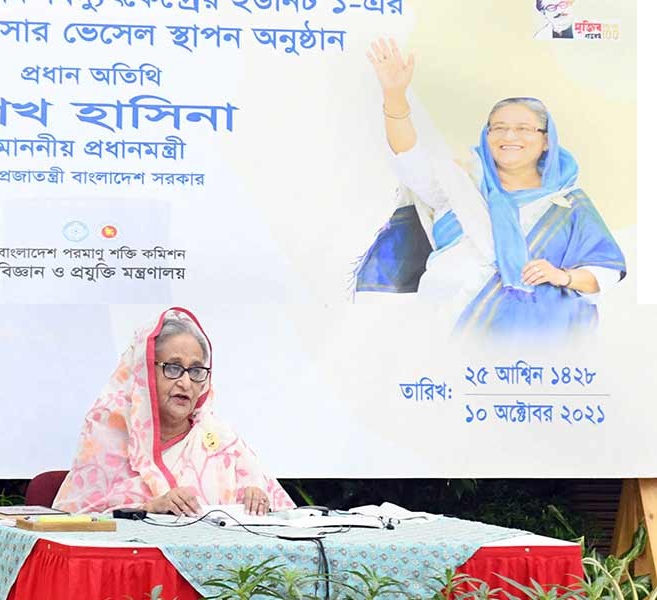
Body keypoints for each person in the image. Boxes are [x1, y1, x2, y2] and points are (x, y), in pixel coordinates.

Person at [351, 38, 625, 341]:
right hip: (448, 335)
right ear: (487, 134)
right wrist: (394, 96)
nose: (510, 135)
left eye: (524, 128)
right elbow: (408, 157)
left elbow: (606, 271)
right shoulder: (457, 184)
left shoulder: (568, 204)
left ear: (547, 140)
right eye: (498, 127)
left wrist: (563, 276)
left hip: (540, 346)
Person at [53, 307, 295, 516]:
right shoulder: (107, 435)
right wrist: (147, 509)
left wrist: (257, 502)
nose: (186, 383)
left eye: (196, 370)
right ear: (144, 372)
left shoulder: (221, 440)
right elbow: (76, 522)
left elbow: (283, 519)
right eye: (173, 368)